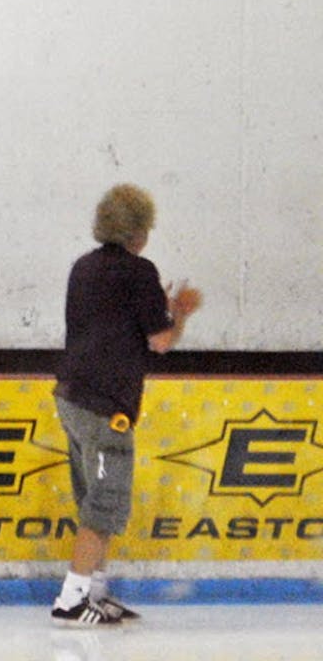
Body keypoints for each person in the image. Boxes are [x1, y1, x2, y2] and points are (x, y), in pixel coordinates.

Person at [51, 183, 201, 627]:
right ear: (139, 230)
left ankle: (95, 593)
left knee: (94, 501)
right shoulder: (139, 273)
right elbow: (160, 340)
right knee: (105, 504)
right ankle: (72, 599)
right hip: (106, 403)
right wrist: (180, 313)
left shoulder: (83, 267)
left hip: (72, 395)